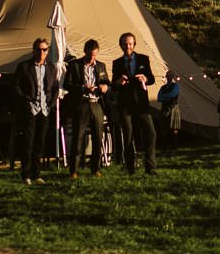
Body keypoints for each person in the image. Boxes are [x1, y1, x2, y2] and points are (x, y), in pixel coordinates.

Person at [13, 38, 60, 184]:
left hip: (45, 110)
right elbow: (16, 86)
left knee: (40, 143)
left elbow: (55, 88)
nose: (42, 52)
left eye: (44, 49)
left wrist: (51, 103)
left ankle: (36, 174)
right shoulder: (24, 67)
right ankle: (26, 174)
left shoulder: (52, 68)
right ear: (33, 50)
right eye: (39, 49)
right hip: (30, 109)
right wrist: (26, 101)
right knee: (28, 143)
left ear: (47, 51)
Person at [111, 32, 157, 175]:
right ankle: (131, 167)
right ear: (121, 45)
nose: (127, 46)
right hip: (125, 104)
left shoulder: (143, 59)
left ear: (134, 44)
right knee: (128, 135)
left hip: (141, 102)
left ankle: (150, 166)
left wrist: (145, 78)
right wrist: (118, 82)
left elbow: (151, 78)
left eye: (130, 43)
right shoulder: (117, 63)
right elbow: (113, 84)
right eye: (125, 44)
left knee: (150, 132)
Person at [67, 39, 110, 177]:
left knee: (98, 138)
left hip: (96, 103)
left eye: (95, 55)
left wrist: (105, 87)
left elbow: (106, 82)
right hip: (82, 103)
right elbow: (67, 85)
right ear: (85, 51)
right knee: (78, 137)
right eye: (91, 55)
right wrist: (82, 88)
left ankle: (95, 169)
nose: (93, 58)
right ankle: (74, 170)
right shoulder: (74, 66)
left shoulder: (101, 66)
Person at [158, 71, 182, 146]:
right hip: (164, 108)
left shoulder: (176, 86)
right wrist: (167, 97)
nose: (169, 77)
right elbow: (159, 97)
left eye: (170, 76)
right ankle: (165, 146)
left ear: (173, 77)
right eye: (168, 76)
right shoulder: (163, 87)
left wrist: (164, 96)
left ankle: (174, 146)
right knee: (164, 128)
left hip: (173, 107)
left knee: (174, 128)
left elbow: (173, 94)